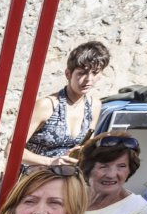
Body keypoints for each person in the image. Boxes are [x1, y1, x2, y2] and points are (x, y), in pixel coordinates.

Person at [21, 41, 111, 169]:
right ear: (68, 74)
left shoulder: (94, 105)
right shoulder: (47, 105)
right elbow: (11, 150)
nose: (88, 79)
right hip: (36, 176)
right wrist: (51, 162)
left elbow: (83, 149)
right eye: (82, 73)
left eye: (95, 73)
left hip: (68, 176)